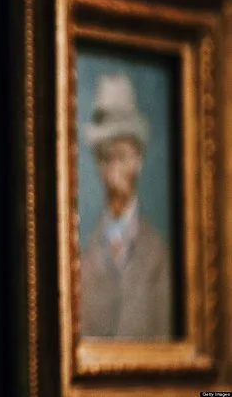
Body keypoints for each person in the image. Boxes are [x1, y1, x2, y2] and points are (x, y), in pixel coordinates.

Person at [80, 74, 172, 339]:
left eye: (121, 156)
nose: (113, 171)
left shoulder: (158, 253)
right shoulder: (84, 256)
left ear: (138, 160)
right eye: (106, 158)